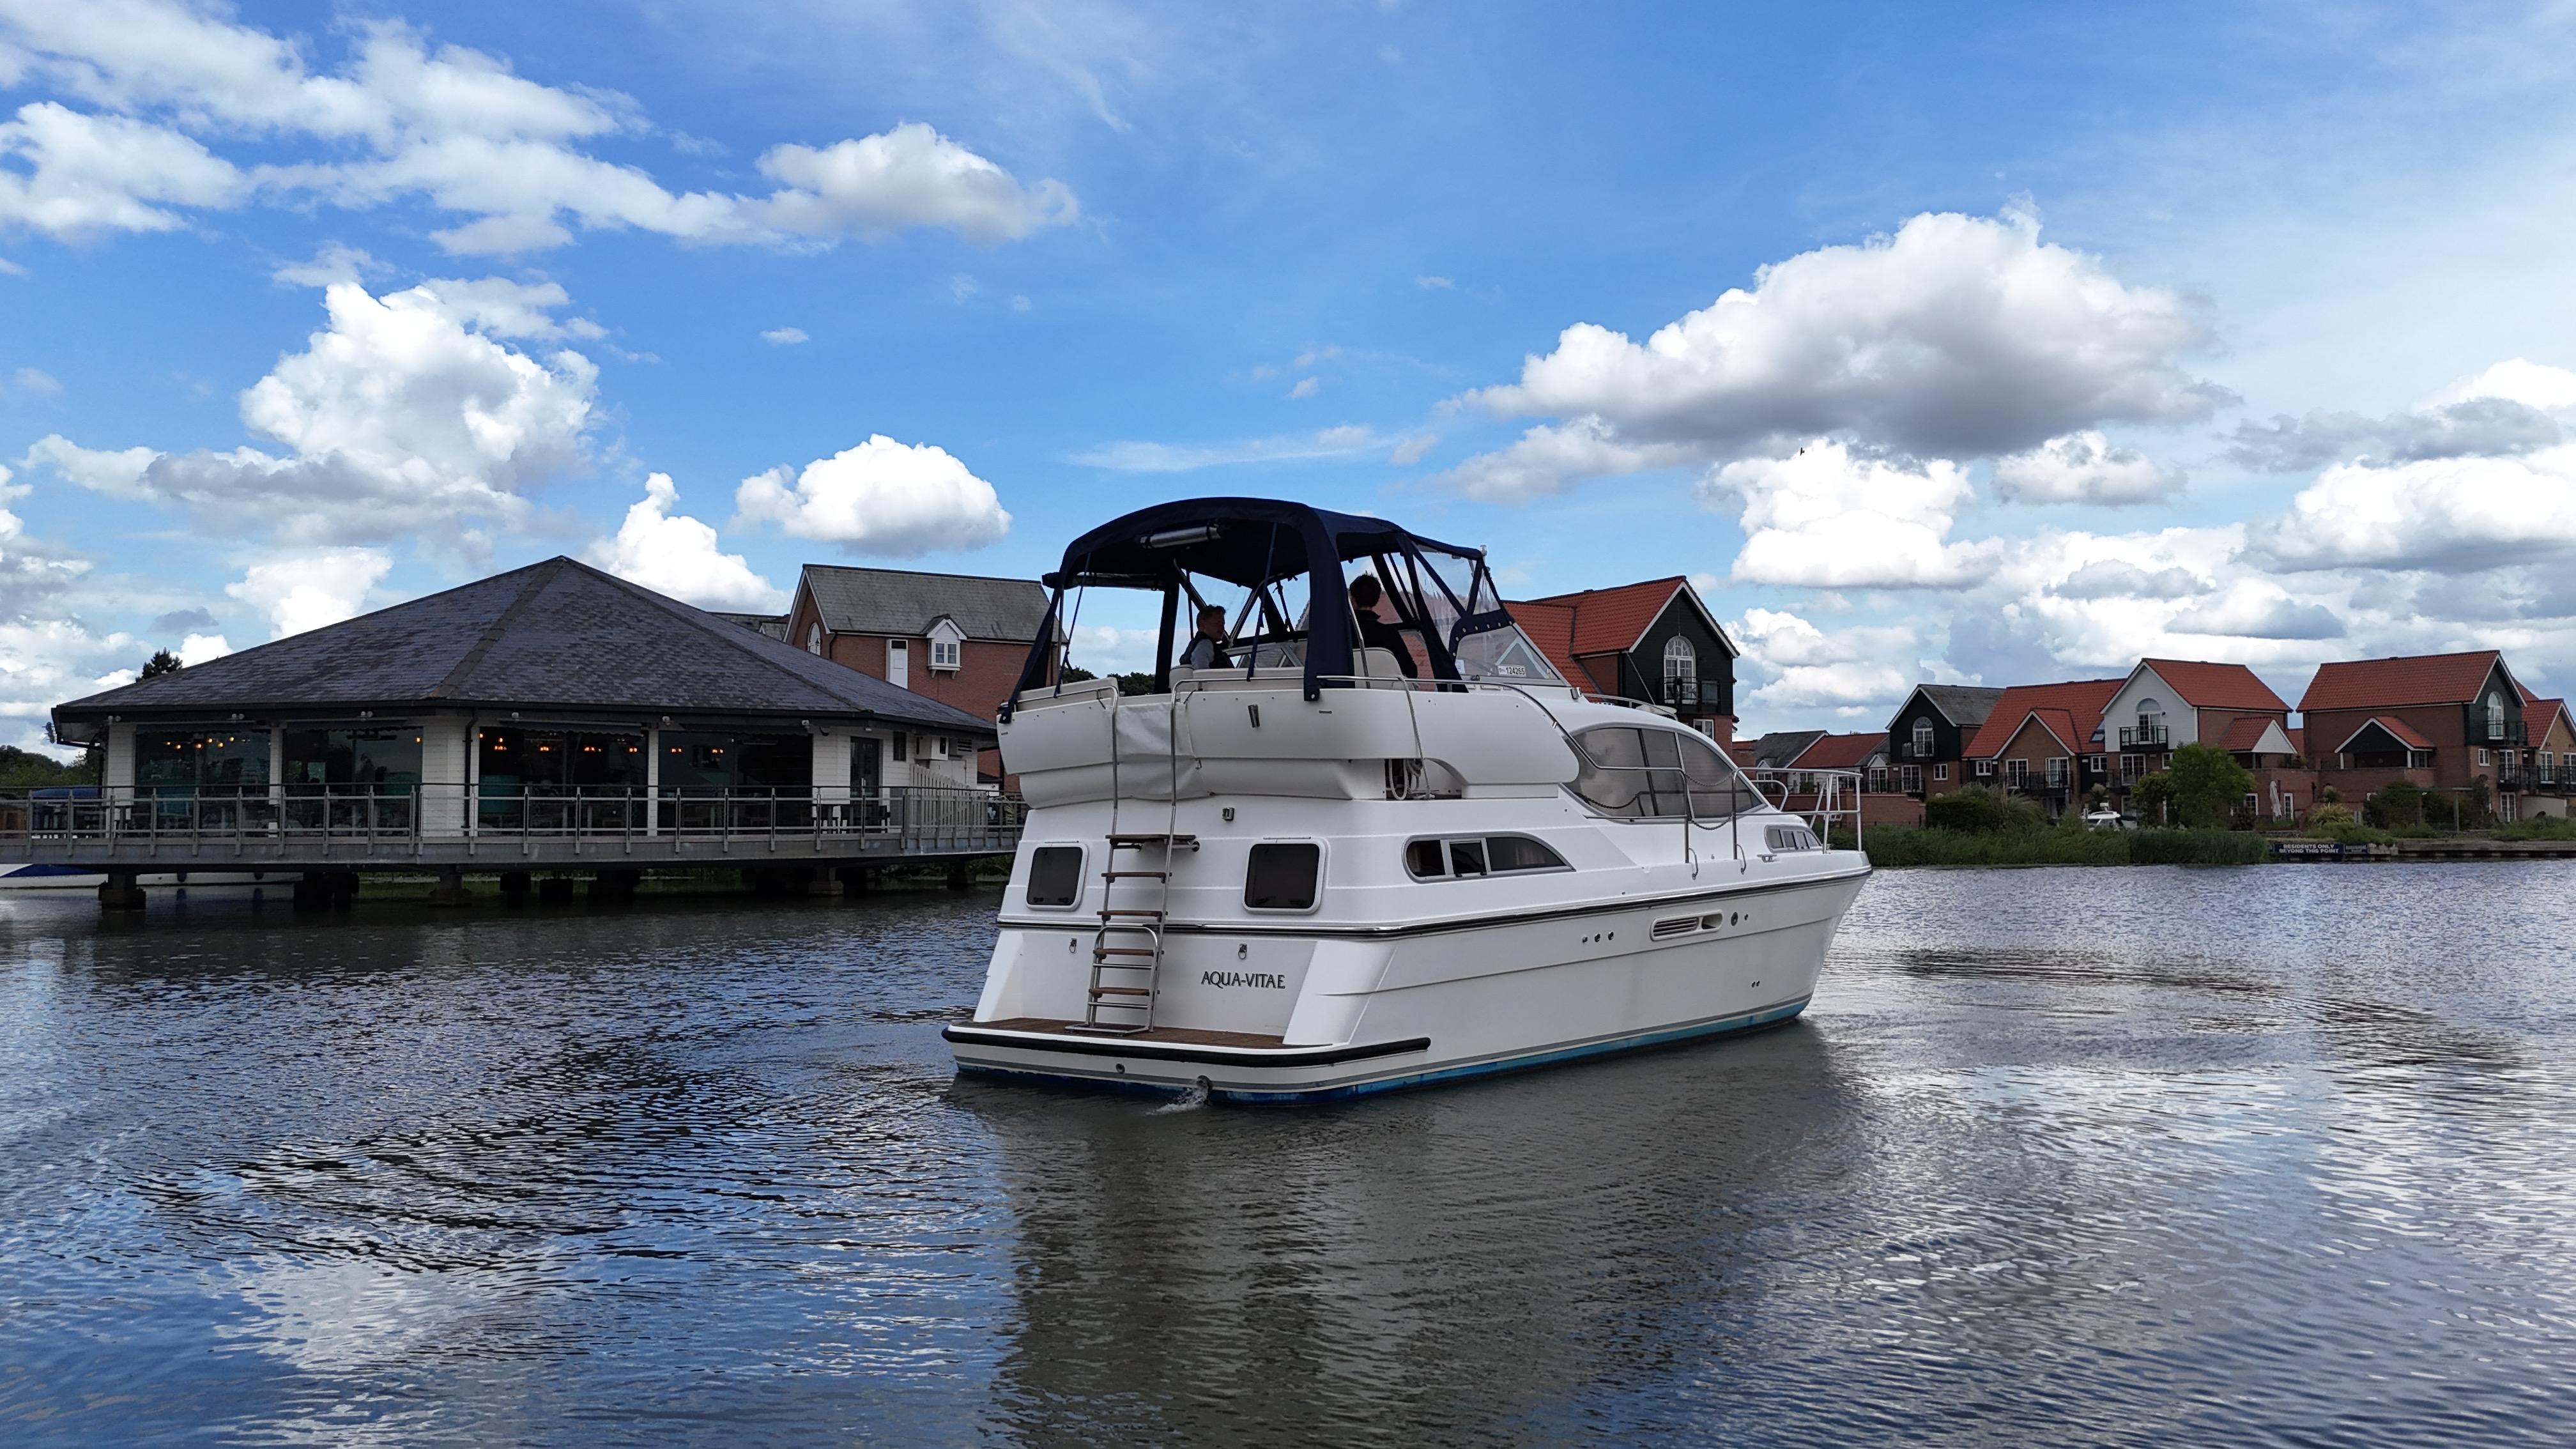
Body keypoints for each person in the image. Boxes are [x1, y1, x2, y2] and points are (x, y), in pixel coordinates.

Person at [1347, 574, 1419, 678]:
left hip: (1346, 688)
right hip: (1388, 689)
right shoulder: (1389, 634)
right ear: (1376, 600)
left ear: (1352, 600)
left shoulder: (1339, 634)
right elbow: (1412, 672)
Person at [1179, 603, 1230, 670]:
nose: (1222, 628)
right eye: (1217, 624)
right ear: (1203, 625)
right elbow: (1199, 659)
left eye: (1223, 625)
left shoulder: (1195, 644)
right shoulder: (1206, 643)